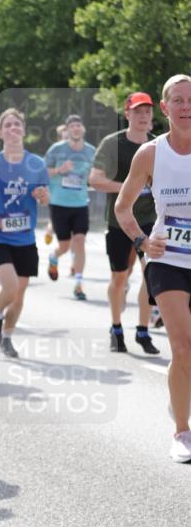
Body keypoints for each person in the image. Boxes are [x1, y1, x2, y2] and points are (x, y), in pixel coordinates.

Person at [115, 75, 191, 461]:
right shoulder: (150, 154)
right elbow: (122, 207)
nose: (186, 106)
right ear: (165, 108)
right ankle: (182, 430)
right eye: (177, 100)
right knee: (182, 344)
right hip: (168, 258)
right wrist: (142, 242)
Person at [0, 108, 50, 358]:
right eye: (8, 125)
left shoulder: (36, 163)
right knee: (11, 286)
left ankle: (7, 337)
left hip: (26, 238)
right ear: (1, 132)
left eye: (17, 124)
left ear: (24, 130)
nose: (13, 129)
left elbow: (46, 198)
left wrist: (42, 195)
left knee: (19, 294)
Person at [89, 93, 160, 354]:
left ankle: (143, 330)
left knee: (151, 273)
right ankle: (116, 327)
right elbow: (95, 179)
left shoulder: (157, 145)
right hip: (120, 221)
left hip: (151, 221)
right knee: (119, 278)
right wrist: (129, 188)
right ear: (127, 114)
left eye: (147, 112)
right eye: (137, 111)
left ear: (152, 116)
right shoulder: (113, 144)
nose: (143, 116)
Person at [44, 114, 96, 300]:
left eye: (78, 125)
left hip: (80, 203)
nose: (76, 128)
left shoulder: (91, 151)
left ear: (83, 129)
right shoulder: (57, 149)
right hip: (59, 203)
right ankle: (54, 256)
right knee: (65, 246)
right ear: (67, 130)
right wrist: (59, 170)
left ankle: (79, 284)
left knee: (80, 242)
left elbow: (95, 173)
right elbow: (44, 173)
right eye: (72, 125)